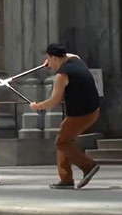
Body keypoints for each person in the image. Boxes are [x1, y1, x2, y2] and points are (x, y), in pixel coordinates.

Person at [30, 44, 101, 189]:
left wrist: (37, 106)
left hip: (81, 114)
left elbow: (54, 100)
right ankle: (66, 179)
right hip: (93, 109)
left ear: (54, 58)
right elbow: (71, 54)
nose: (48, 62)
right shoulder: (77, 60)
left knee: (61, 143)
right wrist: (49, 60)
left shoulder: (61, 75)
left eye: (49, 58)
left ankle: (88, 166)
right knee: (63, 139)